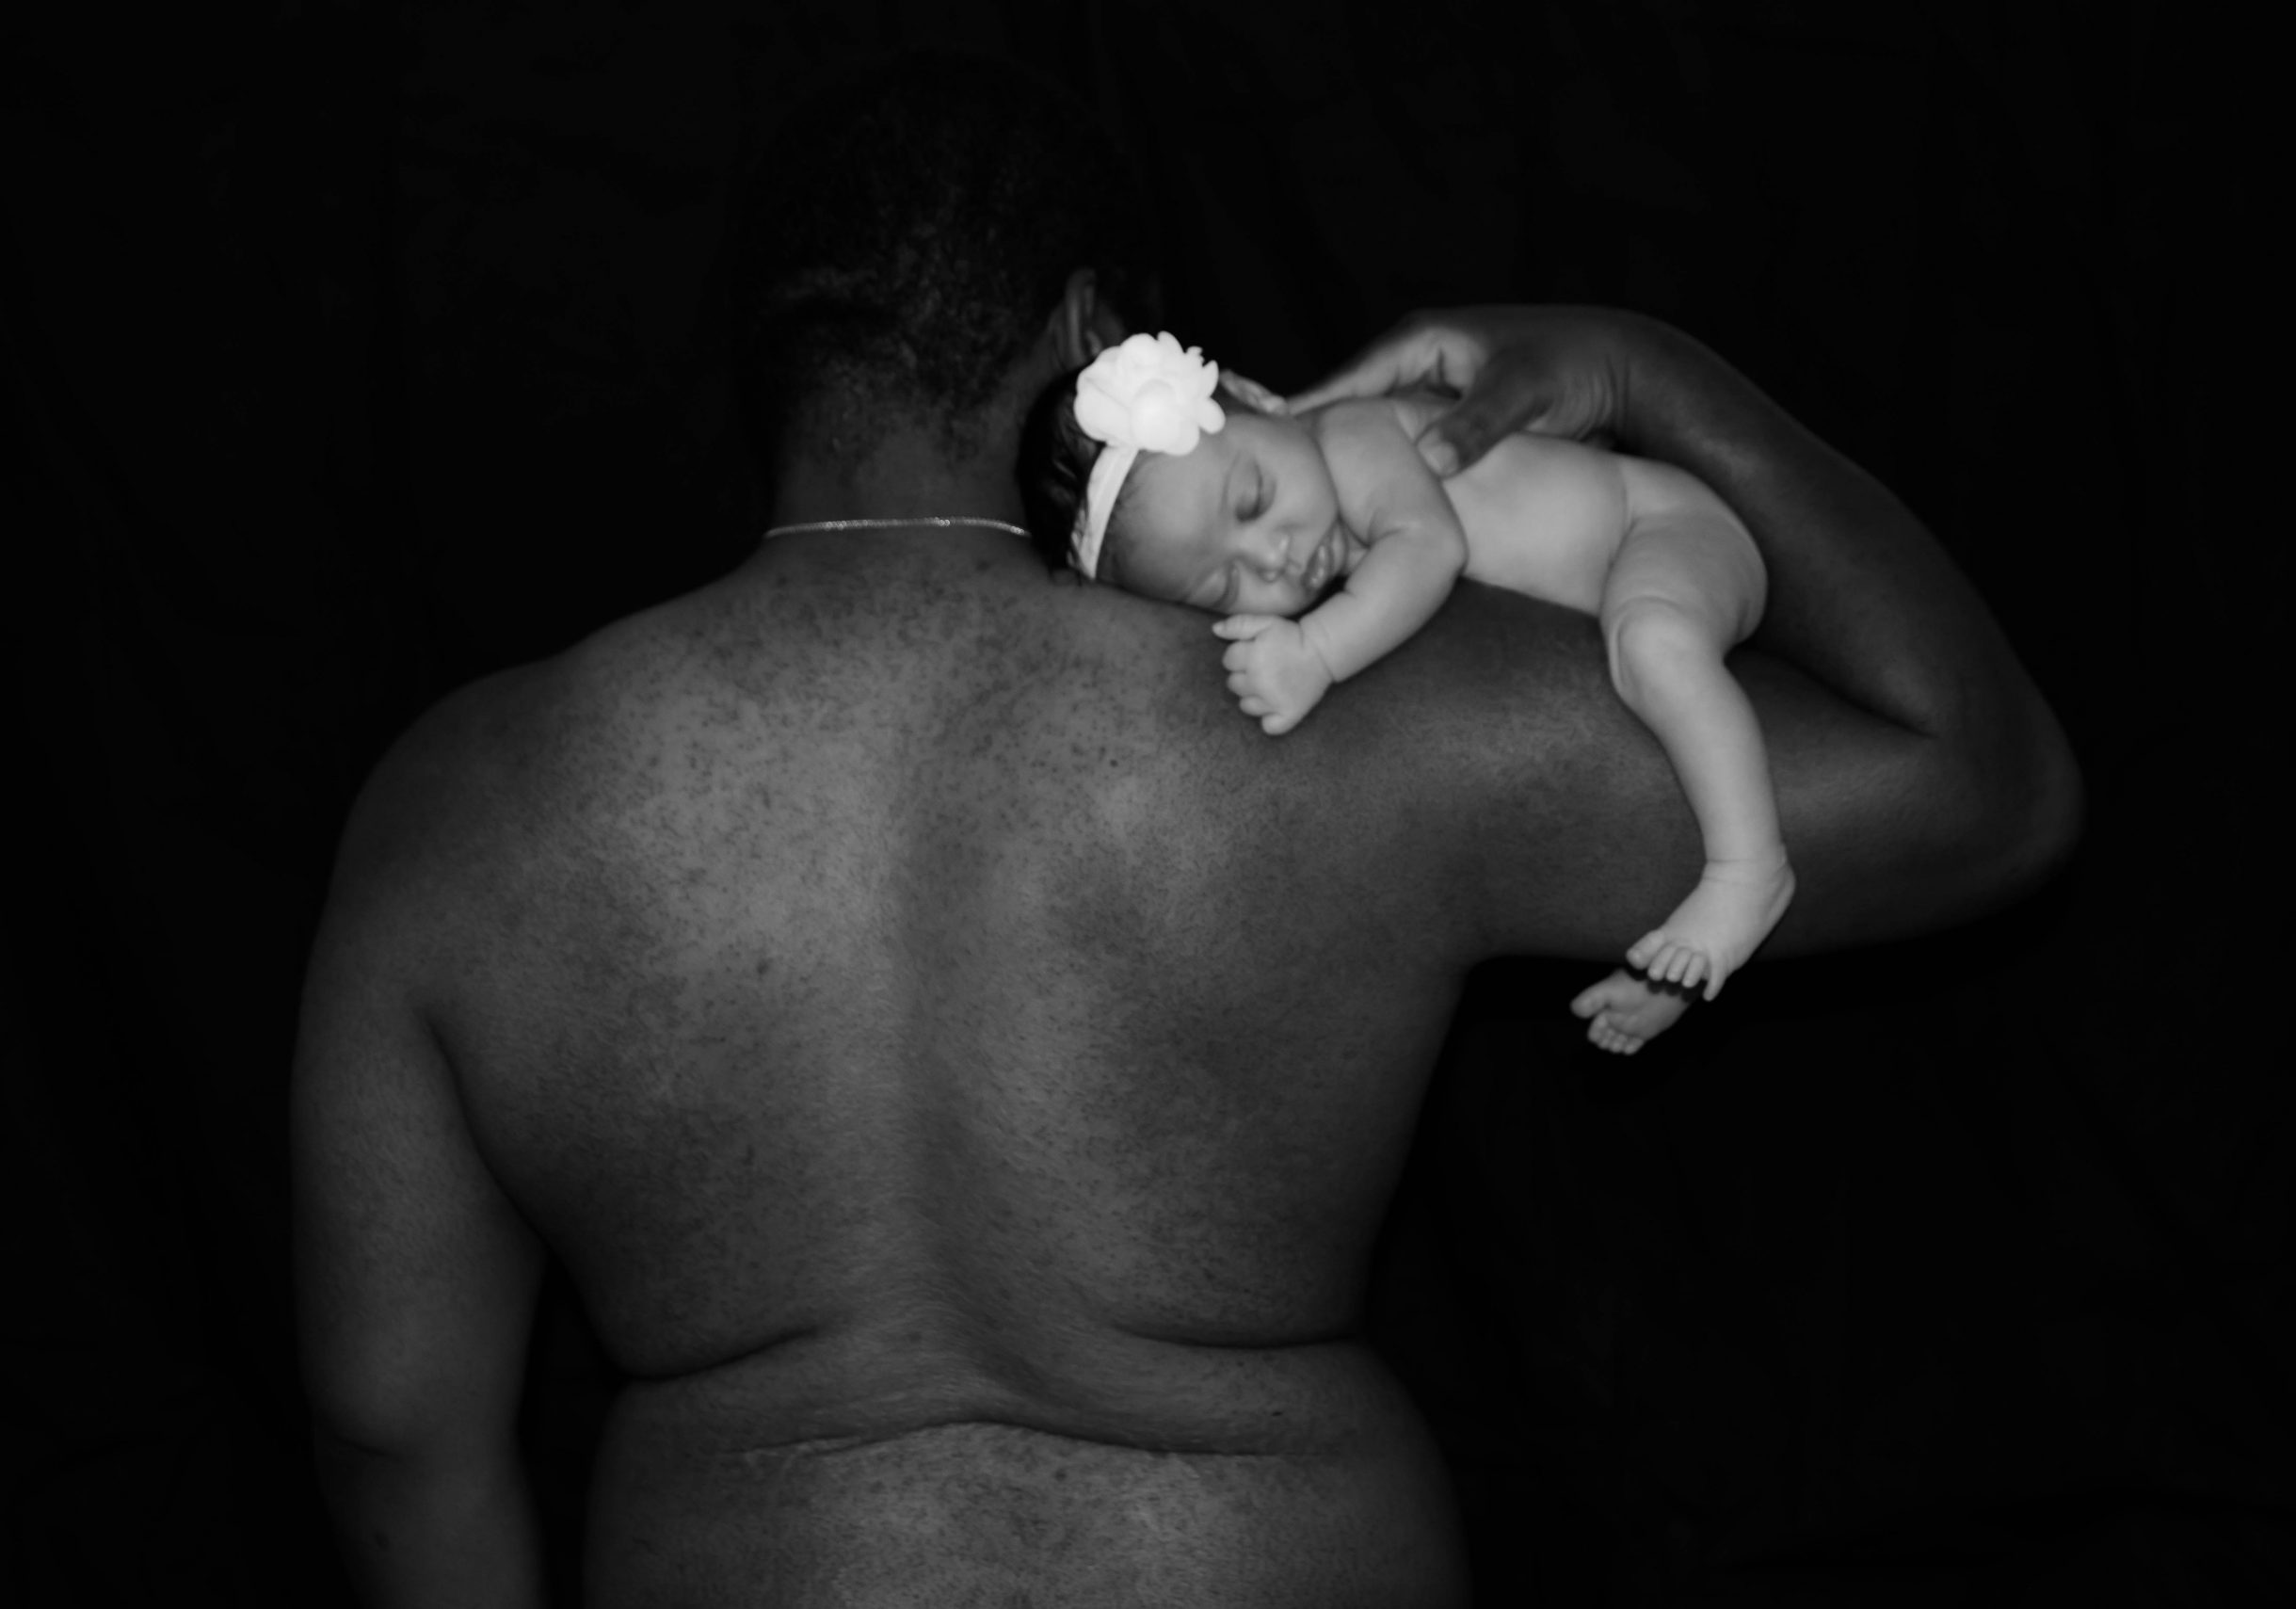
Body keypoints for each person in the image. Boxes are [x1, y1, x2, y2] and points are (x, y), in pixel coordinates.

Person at [291, 50, 2081, 1609]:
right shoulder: (1362, 706)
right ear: (1097, 343)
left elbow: (396, 1431)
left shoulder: (463, 803)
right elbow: (1984, 785)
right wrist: (1646, 372)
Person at [1020, 332, 1787, 1053]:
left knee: (1652, 645)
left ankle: (1749, 872)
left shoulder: (1349, 436)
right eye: (1223, 583)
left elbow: (1430, 544)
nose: (1275, 557)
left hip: (1660, 525)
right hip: (1619, 588)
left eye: (1253, 497)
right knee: (1632, 730)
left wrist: (1318, 651)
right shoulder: (1311, 518)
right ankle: (1677, 970)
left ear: (1258, 398)